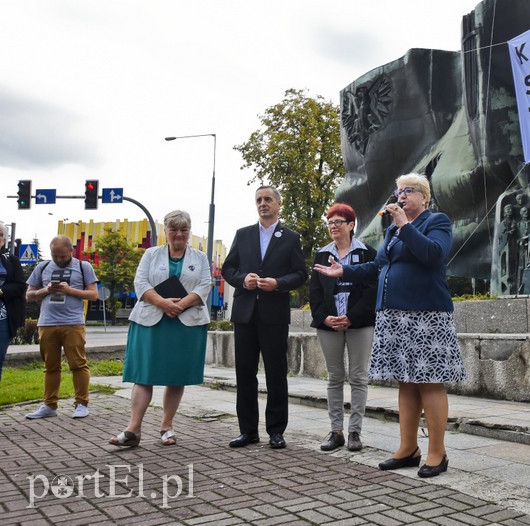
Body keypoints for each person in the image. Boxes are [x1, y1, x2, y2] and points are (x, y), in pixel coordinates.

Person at [314, 173, 466, 478]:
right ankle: (408, 448)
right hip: (393, 316)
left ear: (424, 196)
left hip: (426, 314)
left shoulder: (436, 221)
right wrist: (344, 270)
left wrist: (405, 226)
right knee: (406, 381)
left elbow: (434, 255)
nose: (401, 196)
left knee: (430, 381)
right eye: (399, 191)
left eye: (408, 191)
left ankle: (437, 453)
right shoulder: (394, 232)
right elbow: (379, 266)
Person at [109, 210, 211, 447]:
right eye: (173, 229)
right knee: (144, 375)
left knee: (176, 377)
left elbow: (205, 284)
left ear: (189, 232)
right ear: (165, 232)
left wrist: (182, 304)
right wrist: (162, 303)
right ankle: (133, 429)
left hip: (185, 323)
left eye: (183, 230)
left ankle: (167, 426)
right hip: (151, 320)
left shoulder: (200, 257)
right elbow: (140, 282)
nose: (178, 234)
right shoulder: (151, 254)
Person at [222, 185, 307, 449]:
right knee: (245, 374)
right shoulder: (243, 234)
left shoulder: (290, 237)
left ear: (278, 204)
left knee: (276, 374)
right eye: (259, 200)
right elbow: (228, 268)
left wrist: (278, 283)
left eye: (268, 199)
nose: (263, 203)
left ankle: (276, 431)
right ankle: (248, 431)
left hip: (274, 314)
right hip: (245, 313)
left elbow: (300, 274)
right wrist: (241, 279)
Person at [309, 203, 377, 452]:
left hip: (359, 324)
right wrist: (324, 317)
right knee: (335, 377)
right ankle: (336, 431)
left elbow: (372, 291)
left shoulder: (367, 253)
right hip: (329, 325)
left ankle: (355, 432)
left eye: (338, 222)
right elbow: (315, 293)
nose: (333, 227)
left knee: (358, 377)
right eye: (330, 223)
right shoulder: (321, 255)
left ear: (351, 225)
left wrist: (352, 317)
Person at [25, 236, 98, 419]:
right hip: (47, 323)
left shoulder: (83, 266)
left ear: (71, 251)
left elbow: (93, 295)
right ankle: (49, 405)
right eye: (55, 256)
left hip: (73, 323)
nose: (59, 260)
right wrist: (46, 290)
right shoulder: (42, 267)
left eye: (63, 257)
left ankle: (81, 403)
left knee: (78, 364)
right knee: (50, 366)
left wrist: (69, 290)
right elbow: (29, 295)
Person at [0, 223, 26, 382]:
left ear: (3, 240)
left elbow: (20, 285)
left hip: (3, 319)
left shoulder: (11, 261)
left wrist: (2, 291)